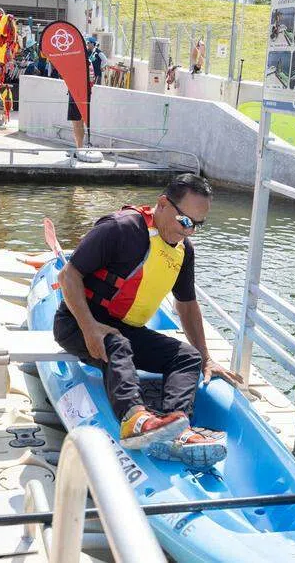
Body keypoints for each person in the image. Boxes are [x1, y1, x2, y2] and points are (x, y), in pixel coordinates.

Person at [53, 174, 240, 468]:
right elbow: (68, 275)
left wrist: (207, 358)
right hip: (77, 322)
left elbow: (187, 304)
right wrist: (89, 327)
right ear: (163, 204)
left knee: (187, 357)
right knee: (117, 343)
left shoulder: (184, 251)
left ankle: (175, 429)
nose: (189, 231)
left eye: (197, 225)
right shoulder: (120, 229)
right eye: (185, 221)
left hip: (125, 330)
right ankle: (135, 421)